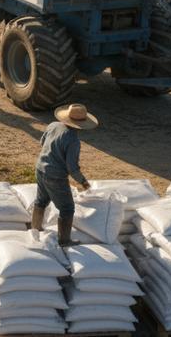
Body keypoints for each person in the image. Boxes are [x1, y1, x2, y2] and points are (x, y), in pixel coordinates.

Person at [30, 103, 98, 247]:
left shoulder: (53, 125)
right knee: (67, 209)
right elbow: (72, 167)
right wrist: (84, 183)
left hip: (40, 169)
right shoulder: (73, 140)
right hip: (55, 177)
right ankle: (64, 241)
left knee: (40, 201)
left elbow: (42, 142)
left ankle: (35, 229)